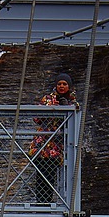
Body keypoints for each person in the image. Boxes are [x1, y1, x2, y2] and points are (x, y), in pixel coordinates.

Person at [31, 72, 78, 205]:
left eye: (64, 84)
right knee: (41, 175)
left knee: (51, 175)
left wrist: (66, 108)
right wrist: (55, 108)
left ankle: (48, 201)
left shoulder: (73, 102)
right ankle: (41, 203)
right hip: (43, 145)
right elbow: (36, 118)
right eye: (59, 84)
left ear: (69, 86)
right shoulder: (47, 99)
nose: (61, 86)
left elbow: (74, 119)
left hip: (58, 146)